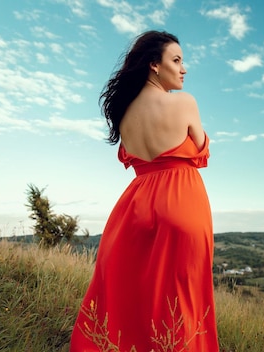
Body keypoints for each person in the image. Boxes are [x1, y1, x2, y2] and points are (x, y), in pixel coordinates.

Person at [69, 30, 219, 351]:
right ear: (154, 64)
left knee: (131, 297)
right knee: (182, 301)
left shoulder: (124, 114)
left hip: (134, 207)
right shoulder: (184, 102)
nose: (184, 69)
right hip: (182, 202)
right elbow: (202, 147)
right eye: (176, 60)